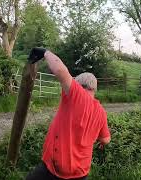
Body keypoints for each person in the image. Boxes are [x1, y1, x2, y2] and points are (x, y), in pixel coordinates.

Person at [26, 48, 111, 180]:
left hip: (55, 171)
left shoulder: (77, 94)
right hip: (81, 172)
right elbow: (106, 139)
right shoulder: (101, 112)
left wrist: (44, 52)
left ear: (78, 84)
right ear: (94, 88)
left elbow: (60, 70)